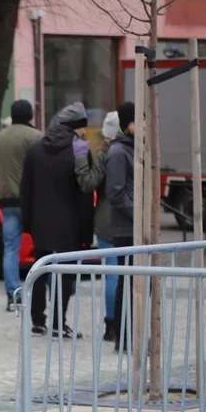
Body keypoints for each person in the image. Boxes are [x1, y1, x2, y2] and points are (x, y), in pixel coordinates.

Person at [20, 102, 99, 338]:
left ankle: (37, 321)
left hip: (40, 223)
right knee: (65, 276)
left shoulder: (35, 148)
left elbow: (26, 190)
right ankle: (57, 323)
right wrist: (86, 232)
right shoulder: (80, 149)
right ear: (74, 127)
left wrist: (29, 223)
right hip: (69, 225)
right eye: (82, 127)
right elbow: (84, 195)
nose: (85, 132)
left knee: (40, 271)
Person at [0, 99, 42, 311]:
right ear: (29, 117)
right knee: (42, 247)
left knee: (10, 248)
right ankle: (43, 292)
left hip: (6, 200)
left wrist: (0, 181)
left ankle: (12, 294)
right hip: (33, 201)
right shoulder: (36, 137)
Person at [106, 102, 137, 346]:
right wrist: (139, 216)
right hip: (126, 228)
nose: (147, 125)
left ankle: (131, 334)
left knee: (138, 283)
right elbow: (115, 192)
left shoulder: (135, 148)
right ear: (129, 124)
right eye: (141, 120)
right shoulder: (118, 152)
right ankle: (123, 336)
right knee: (126, 282)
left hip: (136, 226)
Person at [94, 111, 120, 343]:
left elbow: (92, 183)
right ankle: (120, 322)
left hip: (103, 219)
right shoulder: (127, 151)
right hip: (123, 220)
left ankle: (110, 323)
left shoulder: (102, 153)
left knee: (111, 274)